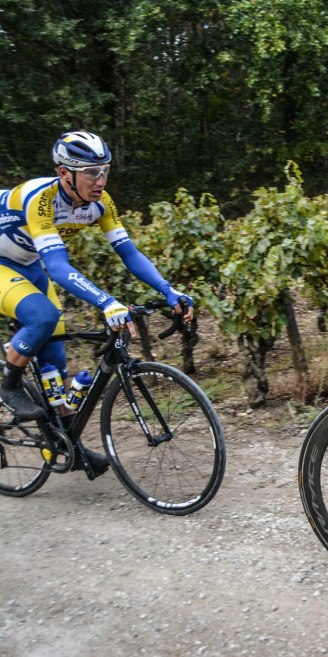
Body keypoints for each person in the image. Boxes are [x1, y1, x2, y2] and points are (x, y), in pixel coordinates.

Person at [0, 130, 194, 475]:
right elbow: (57, 265)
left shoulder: (101, 202)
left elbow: (129, 253)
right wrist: (107, 302)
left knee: (55, 359)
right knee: (42, 317)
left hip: (27, 264)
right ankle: (9, 384)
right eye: (91, 172)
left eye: (105, 170)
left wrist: (168, 290)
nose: (100, 180)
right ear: (64, 173)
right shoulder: (40, 198)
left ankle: (67, 446)